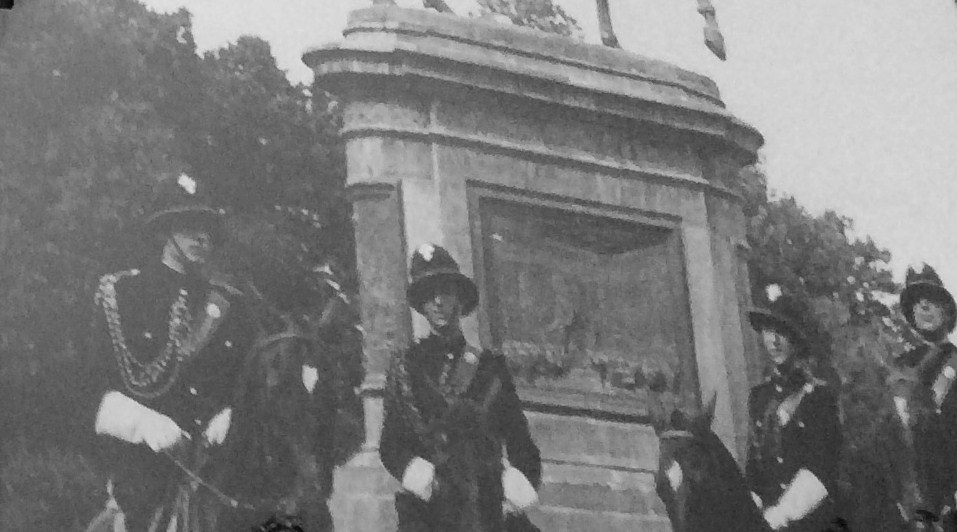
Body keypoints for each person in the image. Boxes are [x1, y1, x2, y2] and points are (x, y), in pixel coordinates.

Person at [80, 174, 256, 531]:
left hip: (218, 464)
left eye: (207, 228)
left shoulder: (230, 306)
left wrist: (232, 413)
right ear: (164, 232)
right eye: (188, 226)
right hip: (148, 467)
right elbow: (93, 389)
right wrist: (145, 423)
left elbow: (249, 378)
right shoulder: (123, 295)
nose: (201, 237)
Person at [379, 243, 542, 532]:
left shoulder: (490, 367)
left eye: (445, 291)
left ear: (459, 299)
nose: (438, 302)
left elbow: (520, 441)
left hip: (488, 503)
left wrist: (516, 483)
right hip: (430, 507)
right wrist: (421, 475)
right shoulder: (407, 367)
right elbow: (391, 443)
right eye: (429, 295)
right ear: (422, 305)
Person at [746, 285, 843, 532]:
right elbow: (755, 469)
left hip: (811, 522)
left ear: (797, 340)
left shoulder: (819, 397)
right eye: (769, 331)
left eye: (782, 332)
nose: (774, 341)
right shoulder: (759, 398)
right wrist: (751, 507)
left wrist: (782, 514)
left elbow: (821, 470)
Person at [887, 263, 957, 530]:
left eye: (932, 300)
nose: (924, 306)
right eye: (917, 301)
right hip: (908, 508)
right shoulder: (898, 369)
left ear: (947, 311)